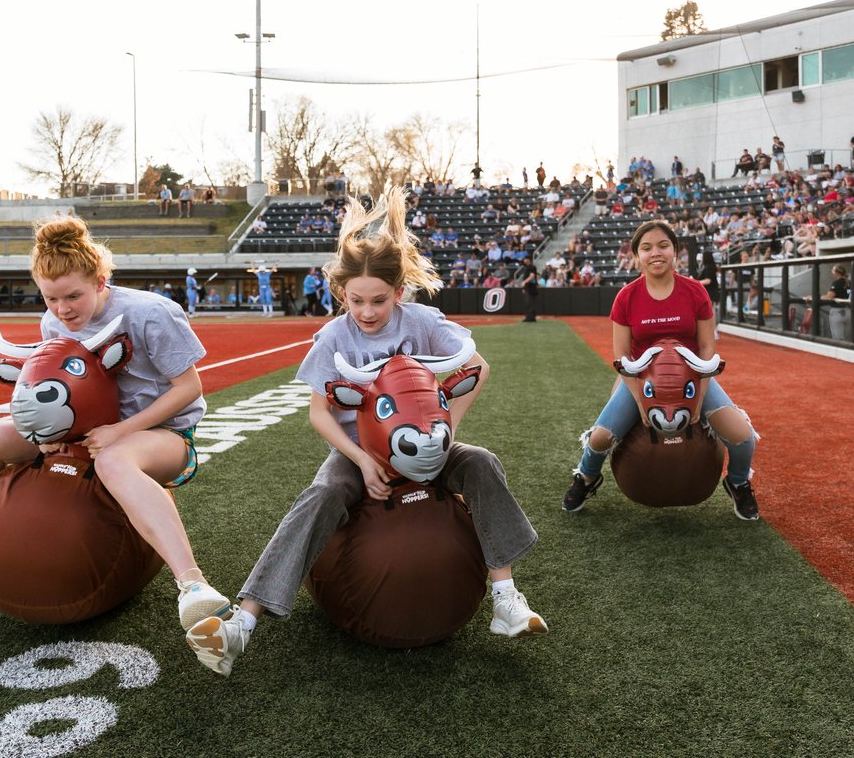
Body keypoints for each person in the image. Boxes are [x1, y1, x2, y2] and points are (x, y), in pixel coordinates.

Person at [185, 189, 546, 677]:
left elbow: (478, 368)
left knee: (479, 460)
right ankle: (241, 626)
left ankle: (504, 594)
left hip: (425, 449)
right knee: (322, 494)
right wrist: (360, 460)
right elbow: (320, 414)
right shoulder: (335, 337)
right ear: (342, 295)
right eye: (357, 300)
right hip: (362, 449)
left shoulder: (420, 321)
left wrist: (447, 430)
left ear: (398, 293)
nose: (368, 311)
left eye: (379, 300)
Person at [0, 217, 231, 631]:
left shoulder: (151, 313)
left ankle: (194, 586)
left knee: (113, 461)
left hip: (161, 435)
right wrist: (49, 434)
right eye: (51, 299)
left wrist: (121, 431)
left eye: (73, 296)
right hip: (86, 430)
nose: (63, 310)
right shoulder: (53, 322)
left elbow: (188, 389)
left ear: (100, 279)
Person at [563, 220, 760, 521]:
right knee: (600, 439)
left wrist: (699, 394)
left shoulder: (695, 291)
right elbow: (622, 356)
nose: (656, 253)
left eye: (663, 245)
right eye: (646, 248)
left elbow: (707, 348)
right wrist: (641, 400)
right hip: (643, 379)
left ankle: (737, 481)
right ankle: (587, 477)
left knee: (743, 436)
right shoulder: (626, 297)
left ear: (675, 251)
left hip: (692, 379)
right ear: (636, 256)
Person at [515, 255, 539, 322]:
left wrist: (524, 282)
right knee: (530, 303)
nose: (524, 260)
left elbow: (532, 276)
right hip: (529, 287)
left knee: (529, 303)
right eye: (524, 259)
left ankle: (529, 317)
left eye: (526, 259)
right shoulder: (527, 267)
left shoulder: (531, 267)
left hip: (530, 287)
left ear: (529, 260)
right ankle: (532, 317)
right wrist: (524, 287)